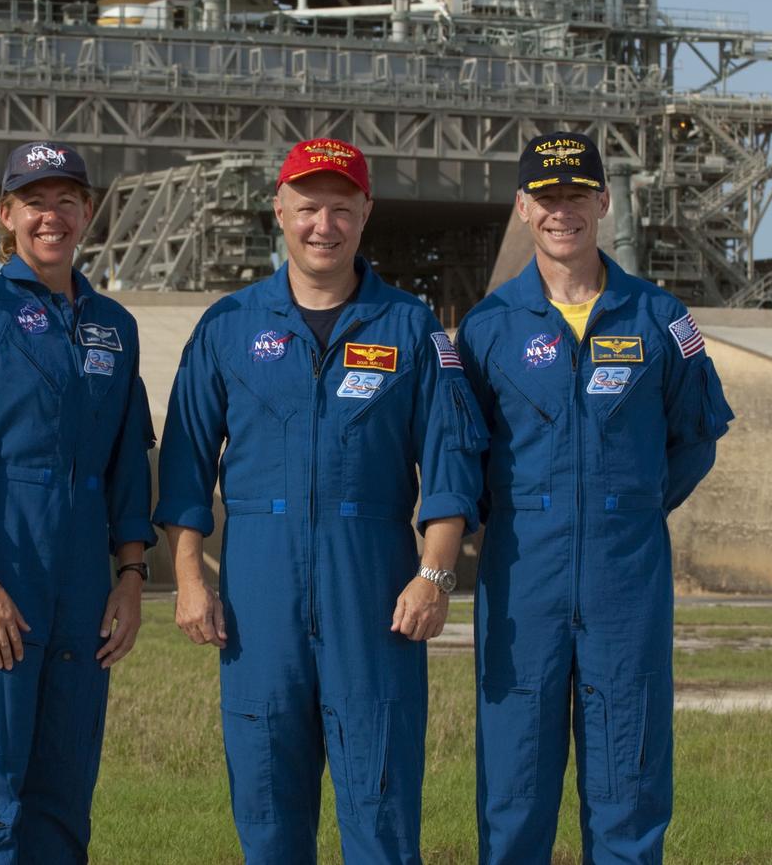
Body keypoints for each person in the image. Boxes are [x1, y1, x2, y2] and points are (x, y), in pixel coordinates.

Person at [155, 138, 487, 863]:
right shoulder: (228, 327)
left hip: (373, 595)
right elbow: (183, 466)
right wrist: (188, 576)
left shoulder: (411, 329)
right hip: (259, 601)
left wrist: (434, 574)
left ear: (366, 212)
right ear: (280, 209)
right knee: (268, 812)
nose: (323, 226)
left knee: (382, 813)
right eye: (308, 208)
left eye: (341, 209)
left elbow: (453, 462)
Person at [457, 132, 734, 863]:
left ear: (604, 203)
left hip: (625, 578)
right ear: (522, 209)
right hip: (522, 580)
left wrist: (628, 506)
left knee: (630, 779)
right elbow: (463, 454)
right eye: (546, 198)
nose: (562, 212)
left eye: (577, 196)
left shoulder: (662, 319)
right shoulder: (486, 328)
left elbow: (697, 438)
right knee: (515, 785)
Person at [0, 140, 156, 862]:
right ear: (6, 215)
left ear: (87, 212)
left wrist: (129, 576)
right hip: (2, 572)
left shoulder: (115, 329)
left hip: (85, 581)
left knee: (62, 794)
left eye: (65, 200)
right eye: (33, 201)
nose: (50, 215)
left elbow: (127, 465)